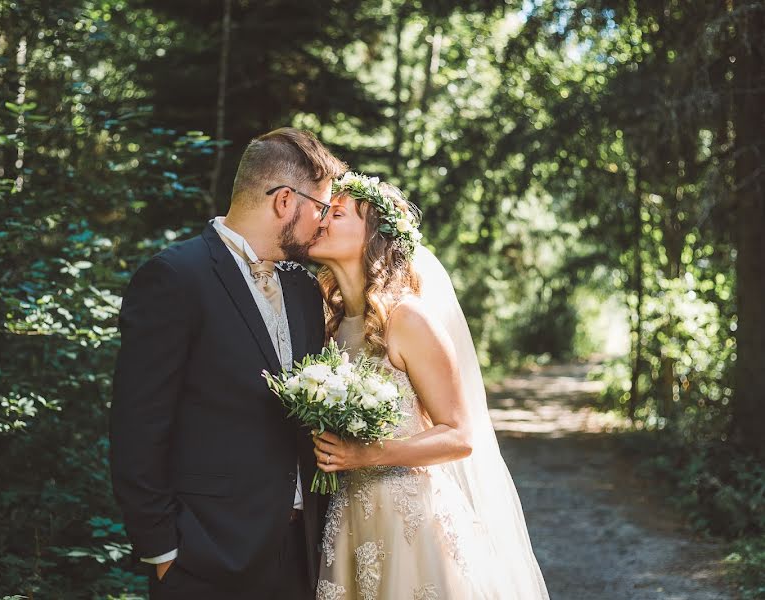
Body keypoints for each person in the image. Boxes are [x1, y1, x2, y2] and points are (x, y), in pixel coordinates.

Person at [109, 127, 346, 599]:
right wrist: (163, 552)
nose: (322, 223)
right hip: (205, 557)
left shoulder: (302, 288)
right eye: (319, 208)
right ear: (284, 201)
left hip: (301, 556)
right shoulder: (176, 276)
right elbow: (137, 426)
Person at [307, 172, 550, 599]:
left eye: (337, 214)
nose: (322, 221)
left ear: (373, 237)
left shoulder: (408, 319)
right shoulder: (330, 326)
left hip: (412, 524)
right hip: (349, 520)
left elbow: (459, 435)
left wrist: (364, 454)